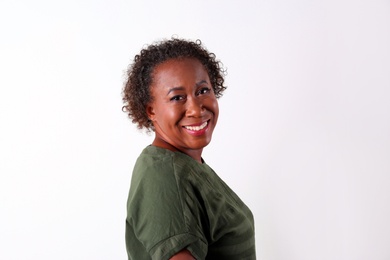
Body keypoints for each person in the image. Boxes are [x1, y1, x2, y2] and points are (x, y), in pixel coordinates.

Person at [122, 38, 256, 260]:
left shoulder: (186, 165)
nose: (196, 109)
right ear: (151, 110)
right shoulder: (163, 174)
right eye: (177, 97)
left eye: (202, 91)